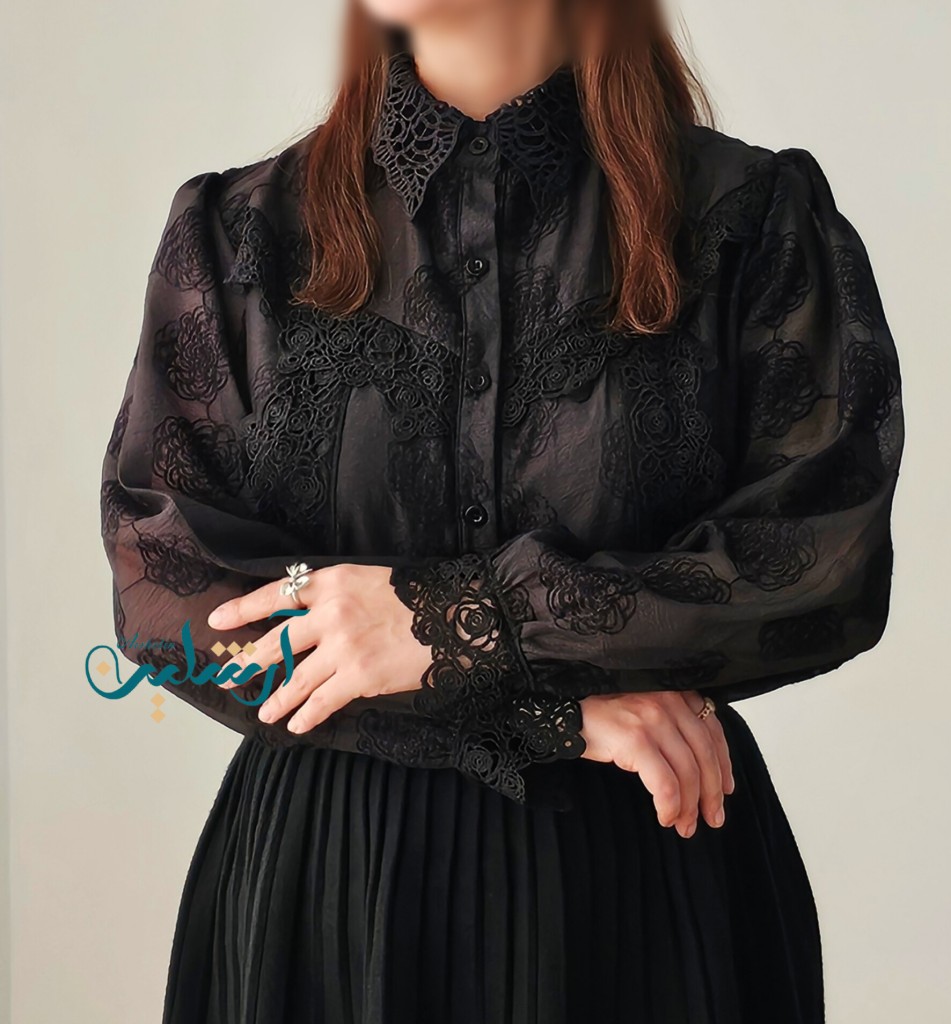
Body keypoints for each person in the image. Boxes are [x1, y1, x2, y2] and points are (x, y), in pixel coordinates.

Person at [99, 0, 905, 1020]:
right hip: (329, 896)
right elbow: (170, 597)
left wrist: (450, 623)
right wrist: (548, 715)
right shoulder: (239, 233)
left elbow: (819, 558)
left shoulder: (752, 219)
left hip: (645, 896)